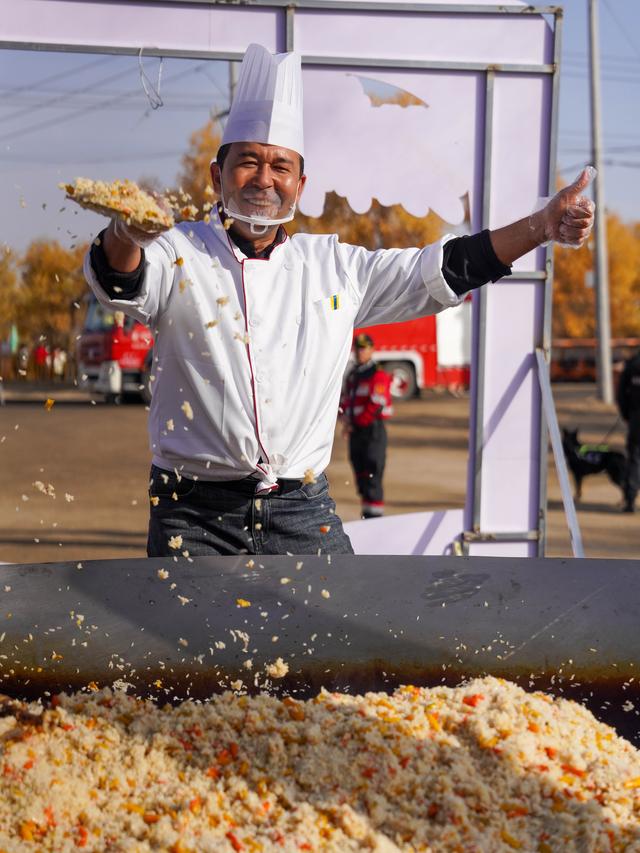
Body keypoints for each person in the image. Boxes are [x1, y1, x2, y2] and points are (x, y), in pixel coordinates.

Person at [83, 43, 595, 557]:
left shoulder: (334, 266)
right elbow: (121, 281)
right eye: (249, 163)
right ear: (217, 177)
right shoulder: (178, 249)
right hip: (193, 512)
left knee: (337, 637)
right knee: (185, 639)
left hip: (301, 509)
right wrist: (128, 231)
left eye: (281, 167)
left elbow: (443, 268)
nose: (265, 179)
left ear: (300, 185)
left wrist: (540, 227)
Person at [341, 334, 393, 519]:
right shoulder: (354, 375)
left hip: (373, 431)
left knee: (372, 475)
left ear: (372, 350)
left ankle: (375, 520)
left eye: (364, 348)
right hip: (357, 431)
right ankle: (367, 514)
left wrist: (356, 422)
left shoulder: (377, 374)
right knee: (361, 476)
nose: (360, 352)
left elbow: (377, 404)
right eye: (358, 348)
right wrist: (346, 421)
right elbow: (346, 401)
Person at [616, 349, 640, 513]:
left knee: (634, 459)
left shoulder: (632, 364)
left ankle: (630, 500)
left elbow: (621, 395)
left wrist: (627, 415)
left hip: (636, 419)